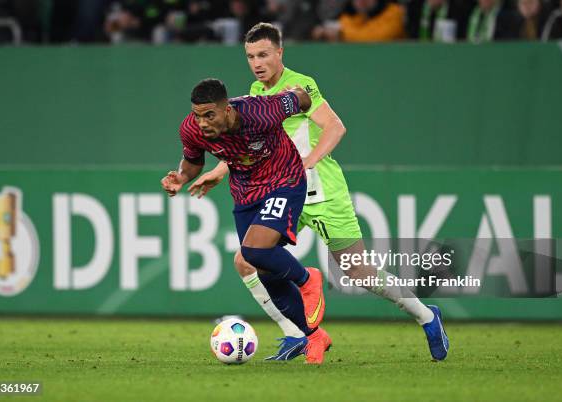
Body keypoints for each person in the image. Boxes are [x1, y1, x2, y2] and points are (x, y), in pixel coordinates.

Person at [189, 22, 450, 362]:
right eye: (251, 56)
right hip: (282, 191)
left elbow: (335, 126)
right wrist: (219, 171)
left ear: (280, 53)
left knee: (357, 270)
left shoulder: (300, 85)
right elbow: (250, 147)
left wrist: (309, 160)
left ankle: (427, 317)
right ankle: (295, 334)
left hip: (323, 194)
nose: (257, 62)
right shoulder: (253, 92)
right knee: (248, 260)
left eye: (264, 54)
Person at [160, 78, 332, 364]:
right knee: (266, 273)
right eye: (197, 115)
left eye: (209, 115)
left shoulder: (261, 110)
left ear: (227, 109)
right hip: (246, 193)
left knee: (253, 252)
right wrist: (181, 177)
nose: (202, 122)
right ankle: (314, 336)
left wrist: (294, 93)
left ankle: (307, 278)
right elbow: (193, 161)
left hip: (284, 180)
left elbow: (303, 100)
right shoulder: (191, 129)